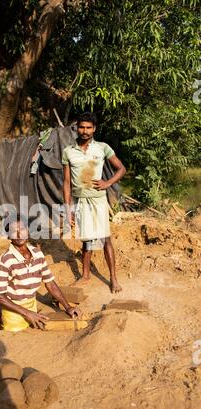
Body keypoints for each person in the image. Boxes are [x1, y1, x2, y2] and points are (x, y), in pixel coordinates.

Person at [62, 112, 126, 293]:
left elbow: (121, 168)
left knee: (105, 240)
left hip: (98, 201)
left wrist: (108, 183)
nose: (85, 131)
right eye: (82, 127)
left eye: (89, 127)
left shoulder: (103, 148)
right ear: (77, 128)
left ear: (94, 129)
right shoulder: (68, 151)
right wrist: (68, 208)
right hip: (80, 201)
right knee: (87, 240)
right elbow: (66, 183)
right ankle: (85, 275)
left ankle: (113, 279)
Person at [0, 216, 80, 331]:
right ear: (8, 236)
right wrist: (27, 313)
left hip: (31, 306)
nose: (19, 234)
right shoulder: (5, 260)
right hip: (14, 313)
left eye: (22, 229)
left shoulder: (37, 254)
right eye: (13, 231)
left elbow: (50, 284)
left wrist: (68, 307)